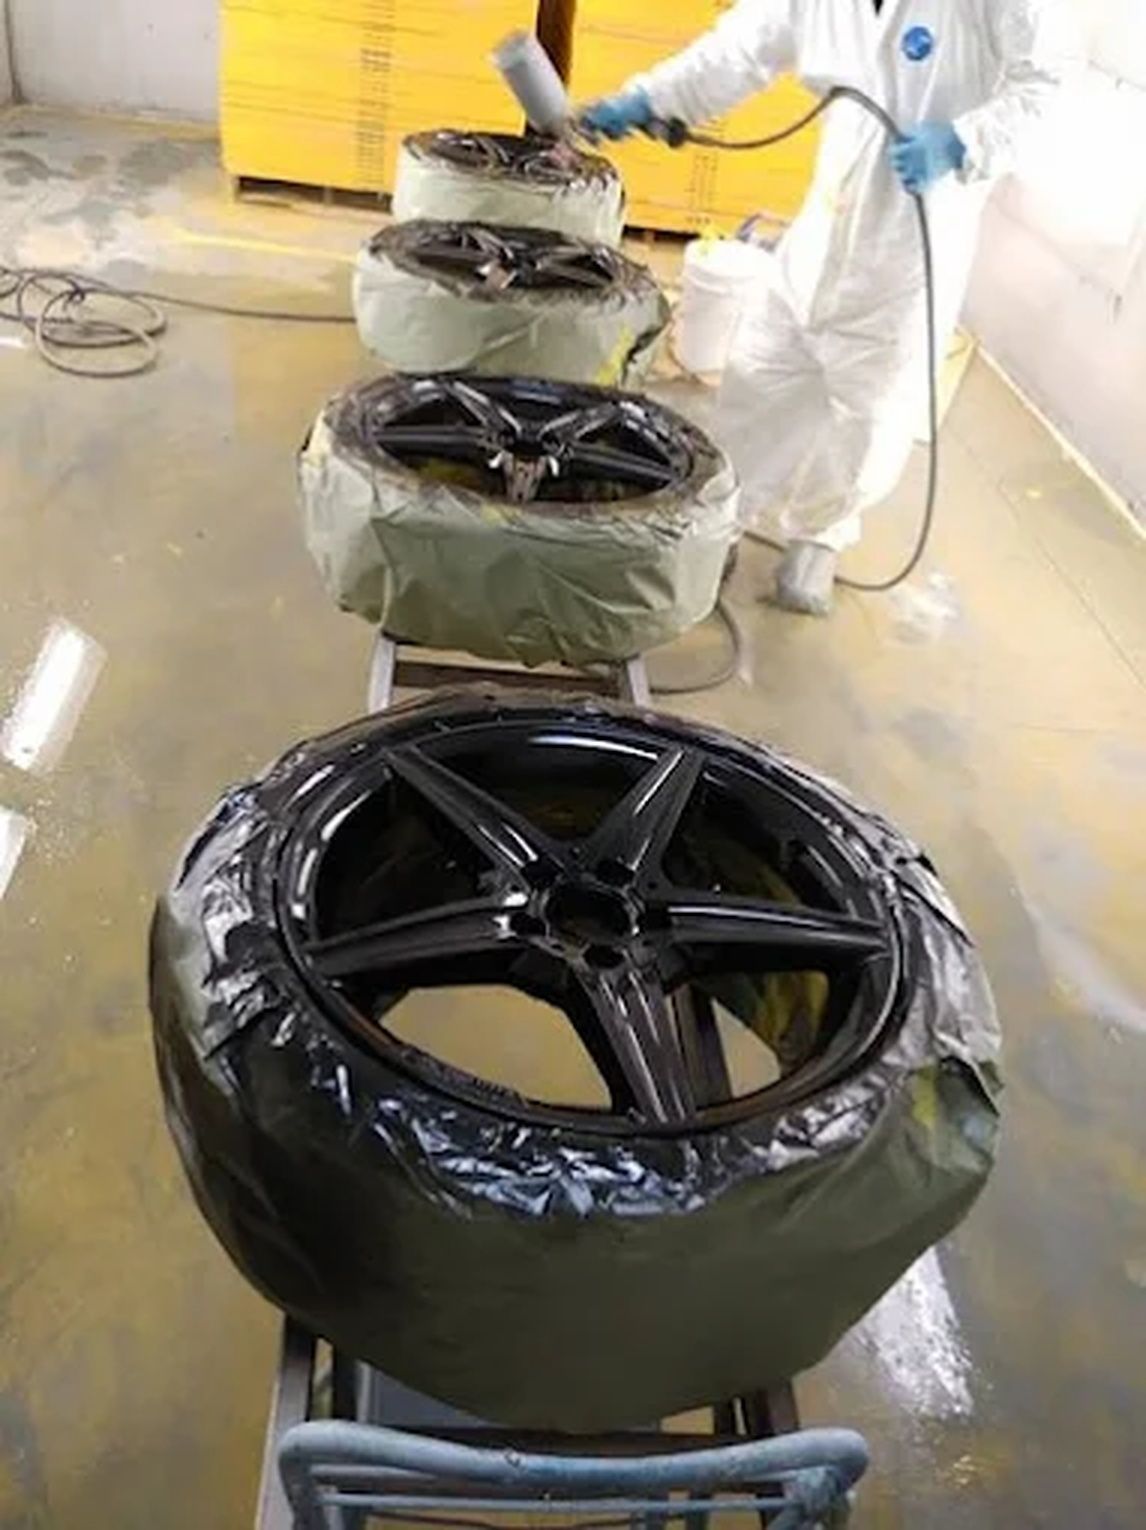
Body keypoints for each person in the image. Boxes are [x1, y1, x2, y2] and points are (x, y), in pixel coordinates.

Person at [584, 1, 1071, 615]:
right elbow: (744, 46)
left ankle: (820, 536)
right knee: (762, 376)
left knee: (869, 412)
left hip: (911, 241)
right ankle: (720, 520)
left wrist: (963, 140)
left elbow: (1045, 87)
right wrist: (653, 100)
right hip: (824, 223)